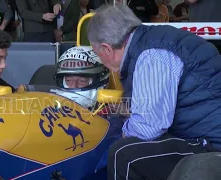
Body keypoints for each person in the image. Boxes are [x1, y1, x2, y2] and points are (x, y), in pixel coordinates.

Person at [87, 3, 221, 180]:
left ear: (107, 49)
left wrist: (113, 137)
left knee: (124, 154)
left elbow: (148, 129)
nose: (101, 60)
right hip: (204, 131)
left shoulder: (151, 55)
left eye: (98, 53)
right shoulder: (151, 39)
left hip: (211, 142)